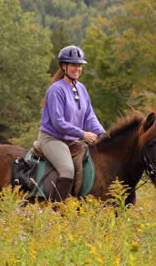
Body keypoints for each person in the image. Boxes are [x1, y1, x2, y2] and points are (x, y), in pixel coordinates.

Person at [38, 45, 106, 201]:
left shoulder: (81, 89)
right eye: (74, 65)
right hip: (52, 139)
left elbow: (89, 116)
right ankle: (56, 209)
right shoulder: (56, 90)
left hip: (71, 140)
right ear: (64, 66)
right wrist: (83, 134)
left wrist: (102, 133)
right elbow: (58, 123)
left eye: (80, 65)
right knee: (67, 170)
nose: (78, 68)